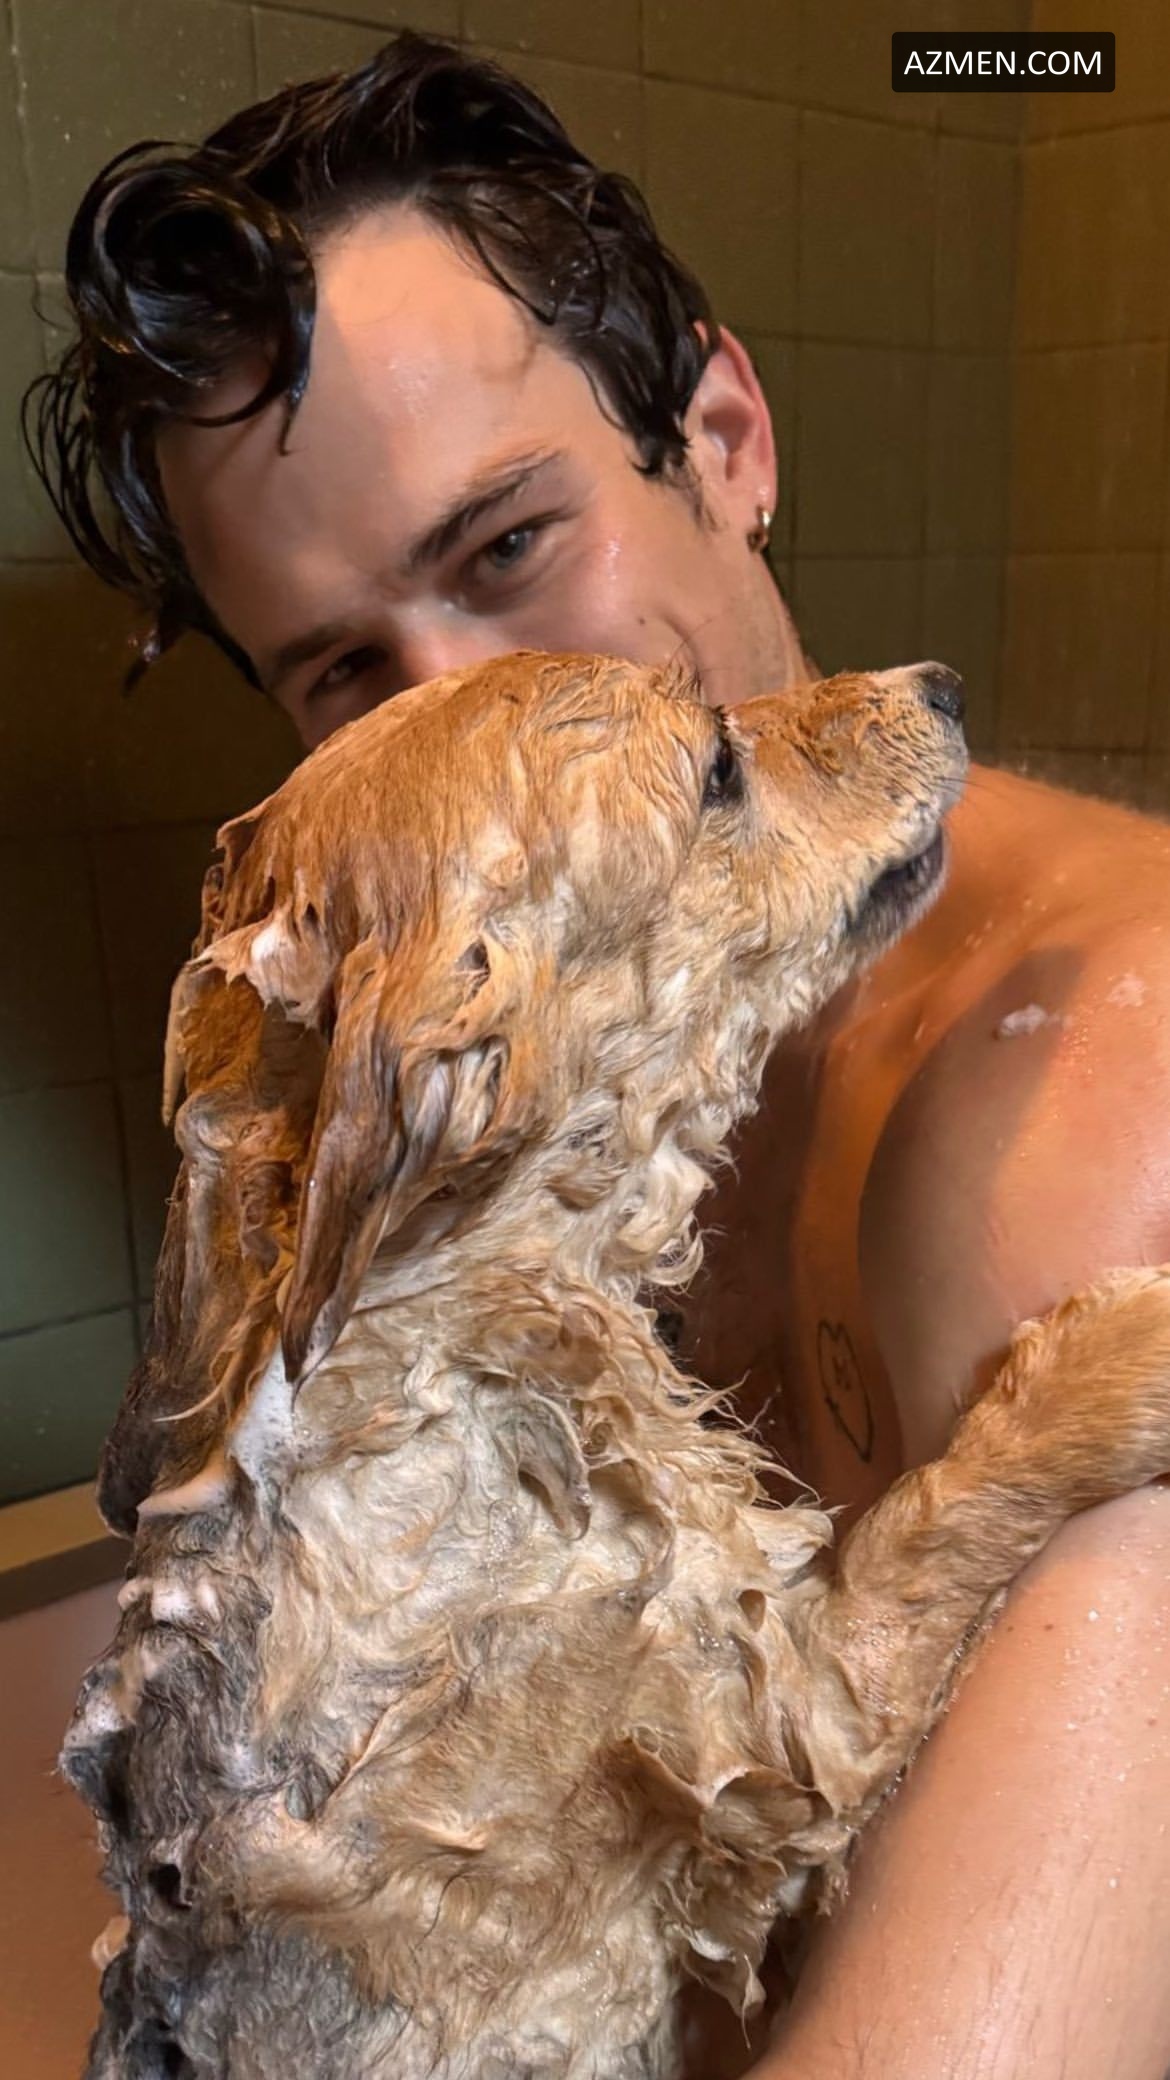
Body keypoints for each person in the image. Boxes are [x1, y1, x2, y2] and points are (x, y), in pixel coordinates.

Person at [27, 34, 1170, 2079]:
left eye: (504, 549)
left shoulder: (1110, 1089)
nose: (473, 704)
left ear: (721, 438)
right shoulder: (477, 1134)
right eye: (348, 674)